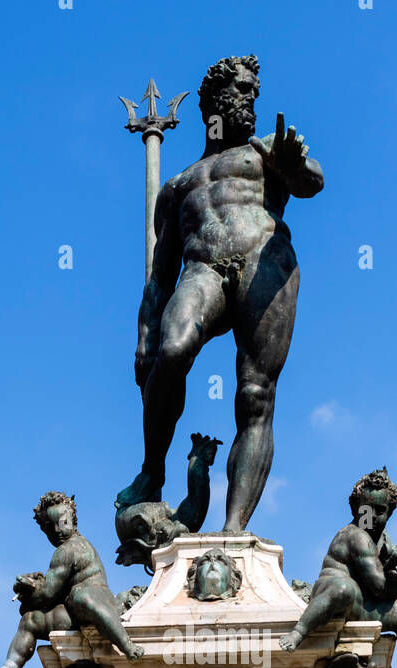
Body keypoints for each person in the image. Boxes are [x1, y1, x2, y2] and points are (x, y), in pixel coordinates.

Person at [116, 55, 324, 535]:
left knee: (254, 395)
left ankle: (233, 530)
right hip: (202, 267)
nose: (251, 98)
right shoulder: (177, 186)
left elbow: (310, 180)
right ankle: (153, 468)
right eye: (242, 90)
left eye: (255, 91)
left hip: (264, 259)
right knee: (173, 349)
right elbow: (159, 276)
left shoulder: (266, 149)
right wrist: (145, 335)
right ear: (214, 102)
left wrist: (292, 164)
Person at [280, 467, 397, 668]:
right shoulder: (356, 536)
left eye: (379, 511)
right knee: (344, 588)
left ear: (390, 511)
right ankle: (298, 632)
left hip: (360, 604)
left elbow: (395, 589)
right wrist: (395, 580)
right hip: (334, 595)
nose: (372, 517)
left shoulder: (383, 539)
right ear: (355, 509)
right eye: (366, 510)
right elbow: (380, 587)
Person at [0, 491, 143, 668]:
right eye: (50, 527)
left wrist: (30, 591)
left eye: (62, 523)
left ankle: (126, 644)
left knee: (85, 599)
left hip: (92, 597)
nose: (58, 530)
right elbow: (50, 588)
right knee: (30, 620)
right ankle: (10, 667)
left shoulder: (71, 548)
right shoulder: (62, 551)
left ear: (72, 520)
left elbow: (48, 593)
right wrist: (33, 586)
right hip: (73, 612)